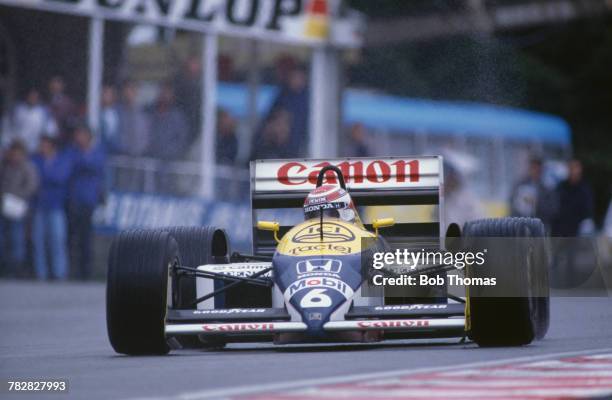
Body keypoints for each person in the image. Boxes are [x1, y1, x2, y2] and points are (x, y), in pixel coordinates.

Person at [67, 125, 106, 280]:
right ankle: (72, 271)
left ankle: (86, 272)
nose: (78, 138)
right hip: (74, 200)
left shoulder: (97, 153)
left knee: (86, 238)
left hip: (88, 200)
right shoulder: (72, 152)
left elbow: (96, 167)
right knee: (72, 237)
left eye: (81, 135)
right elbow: (70, 167)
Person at [31, 136, 72, 280]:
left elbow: (61, 177)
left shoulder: (61, 160)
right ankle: (41, 273)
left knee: (57, 240)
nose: (42, 147)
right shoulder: (36, 160)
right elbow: (32, 178)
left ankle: (59, 273)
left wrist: (44, 177)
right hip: (40, 205)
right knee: (38, 241)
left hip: (56, 205)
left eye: (44, 145)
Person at [0, 140, 39, 277]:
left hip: (18, 208)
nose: (15, 156)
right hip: (3, 207)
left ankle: (16, 270)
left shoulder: (28, 167)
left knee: (17, 240)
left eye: (18, 153)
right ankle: (4, 268)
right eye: (13, 153)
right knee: (3, 239)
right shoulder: (5, 166)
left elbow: (31, 186)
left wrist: (15, 196)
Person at [510, 157, 559, 232]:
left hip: (540, 228)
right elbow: (512, 205)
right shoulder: (519, 186)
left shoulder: (547, 188)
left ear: (542, 170)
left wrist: (537, 203)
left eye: (537, 168)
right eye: (533, 168)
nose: (535, 171)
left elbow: (553, 210)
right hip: (521, 227)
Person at [147, 83, 189, 160]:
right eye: (162, 92)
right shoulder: (149, 113)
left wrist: (171, 153)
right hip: (150, 159)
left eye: (167, 93)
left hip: (171, 161)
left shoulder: (177, 117)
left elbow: (181, 140)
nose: (164, 96)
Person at [553, 159, 594, 237]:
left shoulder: (585, 189)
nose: (574, 171)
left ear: (580, 170)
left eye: (576, 168)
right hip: (560, 229)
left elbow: (588, 212)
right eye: (572, 168)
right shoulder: (561, 187)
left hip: (577, 231)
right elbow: (555, 207)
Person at [9, 89, 57, 153]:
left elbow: (51, 130)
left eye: (35, 97)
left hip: (36, 148)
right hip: (18, 146)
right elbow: (9, 127)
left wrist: (43, 144)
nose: (32, 98)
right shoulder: (18, 110)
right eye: (31, 96)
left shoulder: (44, 112)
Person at [117, 81, 149, 157]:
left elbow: (145, 135)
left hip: (140, 156)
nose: (128, 94)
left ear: (135, 92)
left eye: (131, 90)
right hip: (122, 156)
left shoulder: (143, 112)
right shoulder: (118, 112)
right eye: (126, 91)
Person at [48, 76, 76, 145]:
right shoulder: (46, 101)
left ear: (62, 86)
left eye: (58, 84)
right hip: (48, 138)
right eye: (53, 84)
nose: (55, 86)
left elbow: (72, 119)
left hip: (62, 136)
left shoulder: (68, 102)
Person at [99, 85, 121, 154]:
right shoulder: (95, 112)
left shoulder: (118, 112)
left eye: (109, 94)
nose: (106, 96)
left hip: (115, 150)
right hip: (100, 149)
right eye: (104, 94)